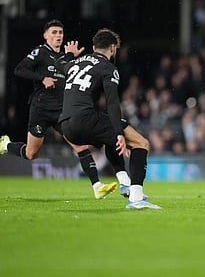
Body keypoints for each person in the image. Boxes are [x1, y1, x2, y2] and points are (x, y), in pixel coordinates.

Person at [0, 20, 129, 199]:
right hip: (41, 108)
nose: (58, 36)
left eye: (60, 32)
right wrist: (42, 78)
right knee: (31, 154)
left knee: (81, 146)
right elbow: (19, 69)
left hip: (62, 110)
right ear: (46, 35)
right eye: (54, 32)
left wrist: (71, 57)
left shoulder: (65, 58)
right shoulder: (40, 53)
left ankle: (97, 186)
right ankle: (5, 145)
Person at [57, 28, 160, 209]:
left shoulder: (75, 63)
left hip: (65, 126)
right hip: (84, 119)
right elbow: (112, 102)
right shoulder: (108, 68)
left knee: (109, 138)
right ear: (112, 48)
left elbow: (60, 66)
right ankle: (136, 198)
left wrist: (69, 55)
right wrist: (119, 132)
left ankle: (124, 181)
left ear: (94, 46)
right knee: (140, 143)